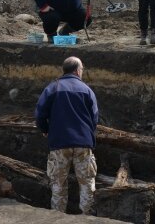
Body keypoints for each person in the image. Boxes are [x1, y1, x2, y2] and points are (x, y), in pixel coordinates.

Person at [35, 56, 99, 215]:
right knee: (87, 183)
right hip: (83, 144)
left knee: (58, 184)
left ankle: (58, 217)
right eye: (82, 69)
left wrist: (45, 129)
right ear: (78, 70)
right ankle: (87, 217)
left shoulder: (52, 88)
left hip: (59, 143)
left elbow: (40, 114)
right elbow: (94, 118)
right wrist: (87, 133)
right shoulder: (87, 90)